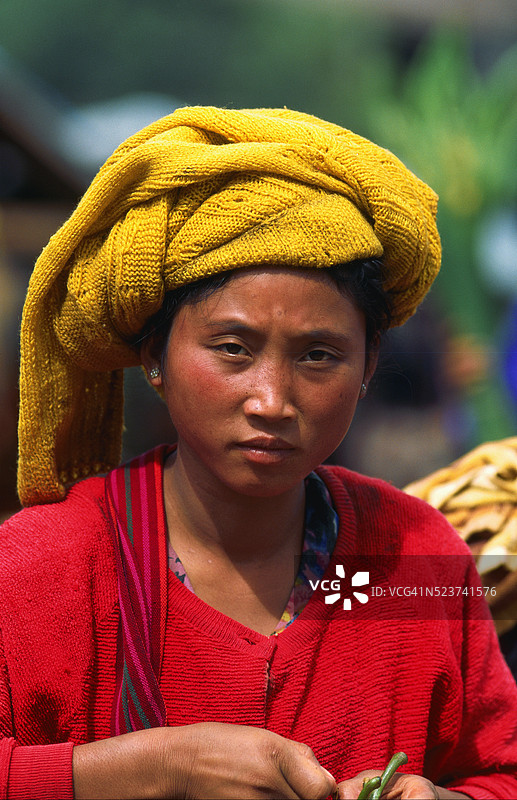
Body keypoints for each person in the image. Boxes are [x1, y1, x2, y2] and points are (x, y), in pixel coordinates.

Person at [0, 106, 516, 800]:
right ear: (154, 355)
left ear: (368, 366)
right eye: (232, 349)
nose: (271, 399)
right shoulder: (48, 567)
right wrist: (151, 771)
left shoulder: (409, 560)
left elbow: (498, 773)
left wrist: (441, 799)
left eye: (319, 356)